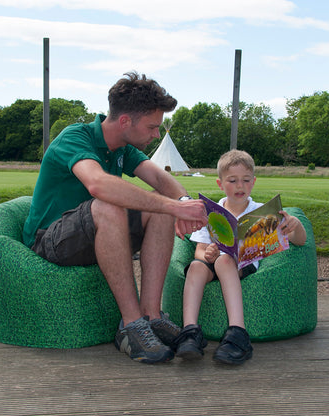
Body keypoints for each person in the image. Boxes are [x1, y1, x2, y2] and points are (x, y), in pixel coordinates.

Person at [22, 72, 207, 364]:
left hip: (97, 234)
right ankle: (131, 326)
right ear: (125, 122)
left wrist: (182, 202)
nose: (156, 135)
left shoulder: (124, 149)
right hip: (50, 240)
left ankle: (152, 316)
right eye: (152, 127)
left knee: (160, 208)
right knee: (108, 204)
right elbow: (98, 184)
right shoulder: (75, 137)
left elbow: (161, 179)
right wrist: (174, 208)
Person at [174, 149, 307, 364]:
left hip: (241, 265)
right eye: (233, 181)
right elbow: (199, 250)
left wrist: (296, 225)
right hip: (211, 264)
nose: (240, 186)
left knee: (225, 260)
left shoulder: (262, 213)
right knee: (196, 267)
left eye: (246, 180)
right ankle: (190, 332)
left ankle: (237, 332)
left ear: (253, 182)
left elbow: (300, 240)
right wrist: (207, 253)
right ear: (220, 184)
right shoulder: (211, 213)